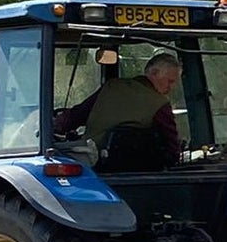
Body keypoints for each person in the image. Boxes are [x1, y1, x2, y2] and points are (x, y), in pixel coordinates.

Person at [54, 51, 183, 164]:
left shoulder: (111, 87)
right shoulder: (160, 104)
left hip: (94, 165)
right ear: (154, 73)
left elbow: (76, 116)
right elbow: (173, 150)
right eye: (170, 81)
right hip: (140, 171)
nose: (172, 87)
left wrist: (54, 126)